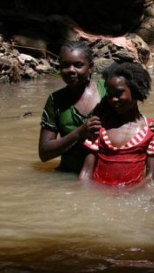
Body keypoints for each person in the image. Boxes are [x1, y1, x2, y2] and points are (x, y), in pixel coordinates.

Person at [78, 62, 154, 187]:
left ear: (136, 91)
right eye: (110, 94)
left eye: (119, 93)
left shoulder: (151, 130)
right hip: (100, 195)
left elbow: (150, 178)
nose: (113, 99)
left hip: (130, 195)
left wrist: (125, 196)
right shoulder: (100, 127)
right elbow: (85, 174)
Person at [38, 40, 106, 173]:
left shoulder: (107, 90)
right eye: (65, 65)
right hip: (68, 175)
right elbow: (44, 153)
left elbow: (132, 126)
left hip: (104, 175)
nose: (70, 70)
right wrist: (79, 133)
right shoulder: (55, 100)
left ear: (90, 67)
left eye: (78, 65)